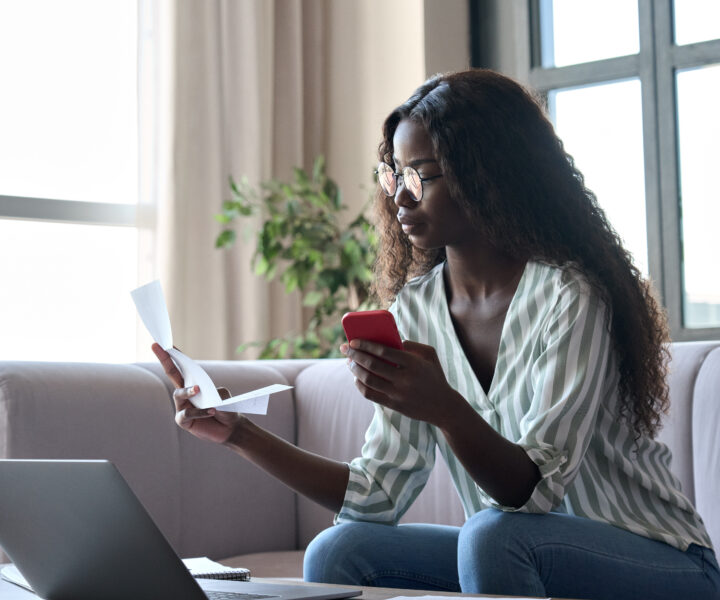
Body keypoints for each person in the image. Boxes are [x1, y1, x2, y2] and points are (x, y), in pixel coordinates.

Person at [153, 69, 720, 599]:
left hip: (662, 562)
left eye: (420, 176)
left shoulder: (571, 295)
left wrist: (444, 408)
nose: (399, 195)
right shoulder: (418, 309)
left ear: (488, 175)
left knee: (492, 535)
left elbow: (535, 492)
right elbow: (375, 496)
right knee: (340, 549)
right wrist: (239, 435)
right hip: (516, 545)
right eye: (394, 174)